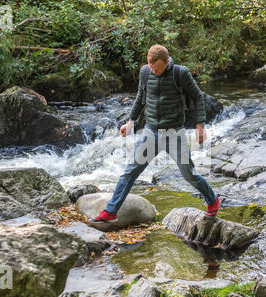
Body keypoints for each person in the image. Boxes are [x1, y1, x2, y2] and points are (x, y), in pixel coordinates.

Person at [90, 44, 219, 224]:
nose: (153, 70)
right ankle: (111, 211)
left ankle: (212, 200)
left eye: (156, 68)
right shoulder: (145, 72)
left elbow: (198, 96)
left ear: (166, 62)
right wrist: (130, 121)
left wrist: (200, 125)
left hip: (174, 132)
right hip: (150, 132)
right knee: (130, 172)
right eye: (150, 67)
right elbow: (140, 99)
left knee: (189, 174)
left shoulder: (180, 73)